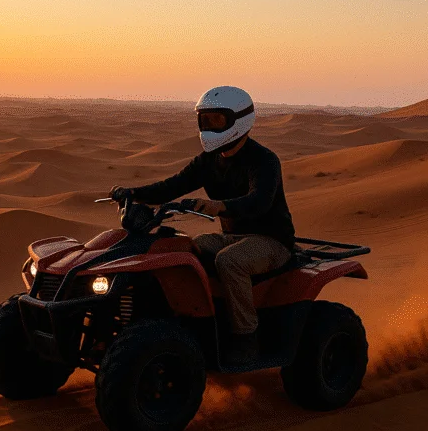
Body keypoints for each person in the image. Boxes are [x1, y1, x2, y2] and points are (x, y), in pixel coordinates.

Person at [109, 86, 295, 367]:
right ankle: (197, 320)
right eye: (204, 120)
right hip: (232, 236)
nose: (208, 127)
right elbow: (173, 185)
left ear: (239, 120)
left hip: (271, 241)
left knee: (230, 261)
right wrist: (133, 193)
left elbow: (260, 202)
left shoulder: (264, 160)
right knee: (187, 249)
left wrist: (220, 206)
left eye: (216, 120)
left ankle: (246, 338)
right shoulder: (209, 160)